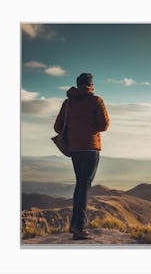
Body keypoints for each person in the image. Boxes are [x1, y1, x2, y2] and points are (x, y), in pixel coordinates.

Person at [54, 73, 109, 240]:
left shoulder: (68, 102)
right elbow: (104, 125)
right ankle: (79, 228)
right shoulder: (96, 100)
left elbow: (57, 127)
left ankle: (75, 225)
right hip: (91, 149)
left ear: (77, 85)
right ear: (91, 84)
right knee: (84, 186)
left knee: (80, 185)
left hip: (75, 150)